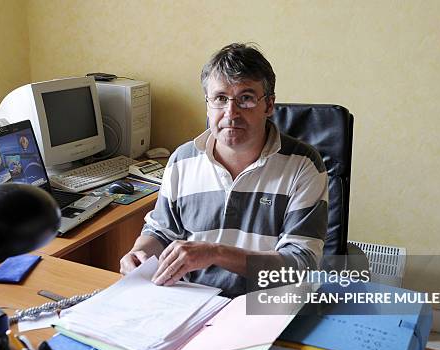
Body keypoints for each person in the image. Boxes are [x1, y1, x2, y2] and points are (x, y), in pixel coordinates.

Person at [120, 43, 328, 297]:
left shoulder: (303, 164)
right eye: (220, 99)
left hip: (264, 306)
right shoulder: (181, 160)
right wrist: (138, 254)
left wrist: (215, 253)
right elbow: (161, 232)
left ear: (269, 105)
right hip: (189, 302)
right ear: (207, 103)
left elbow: (301, 265)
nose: (231, 113)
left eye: (246, 99)